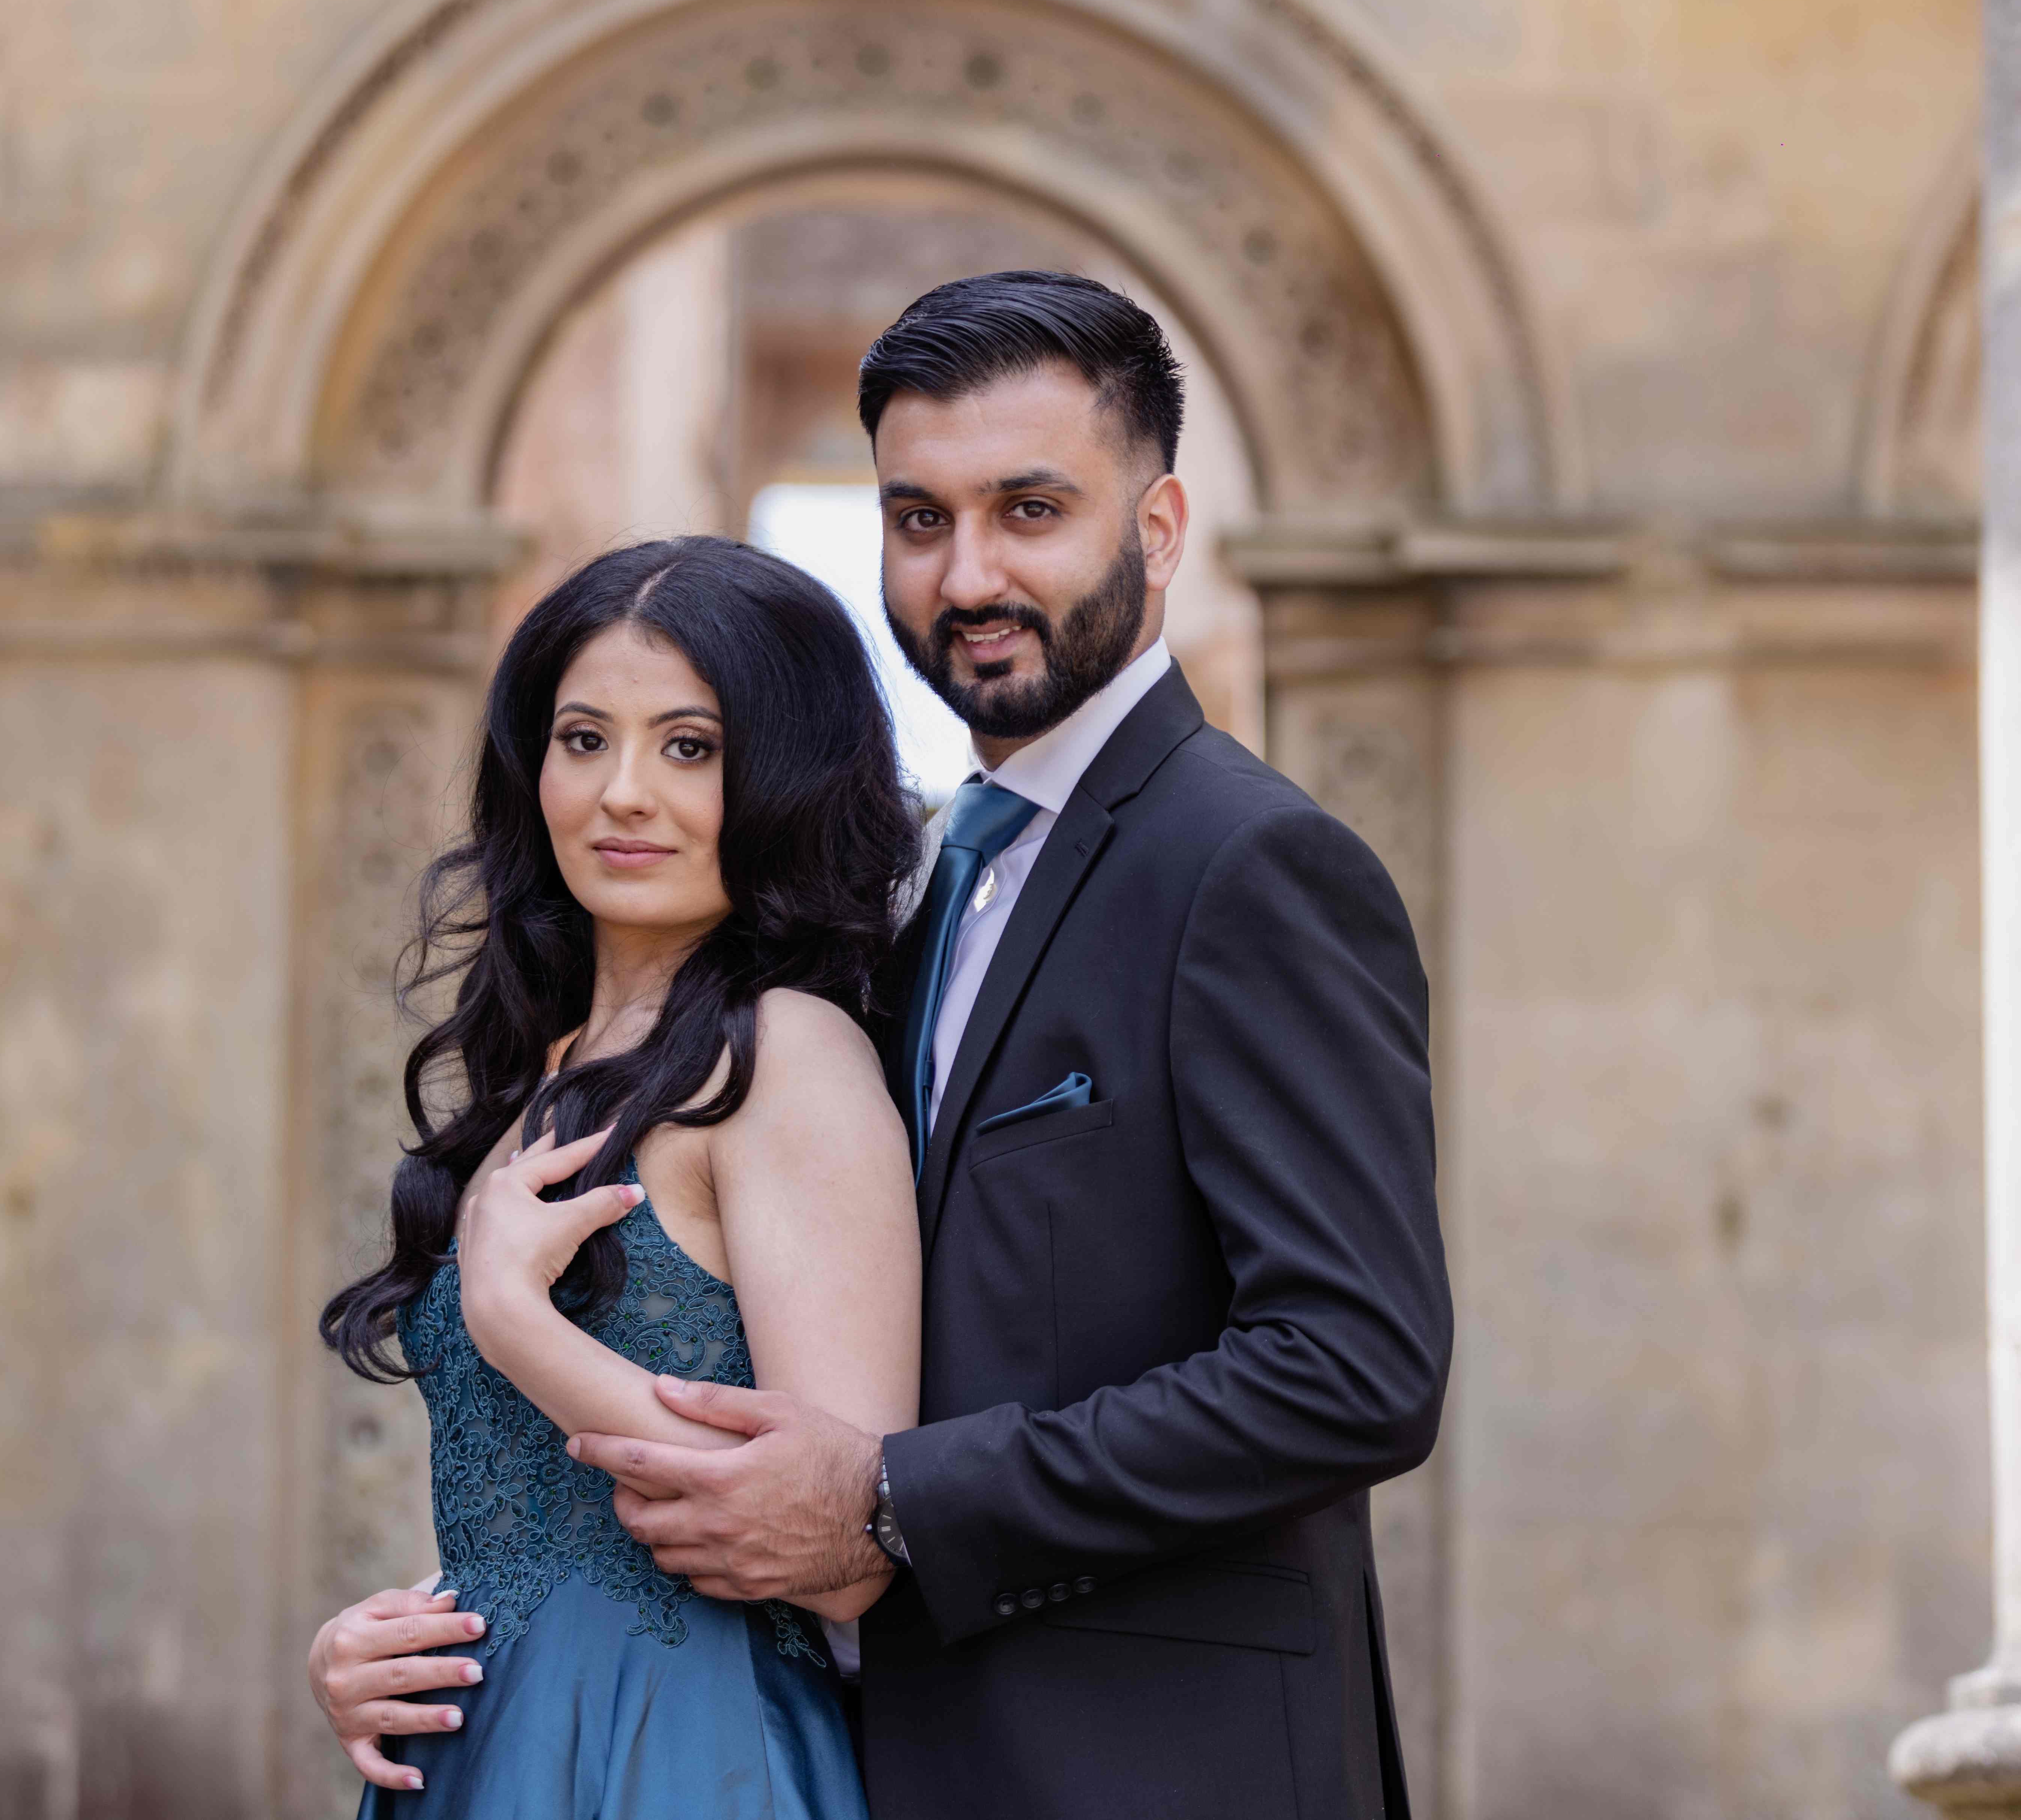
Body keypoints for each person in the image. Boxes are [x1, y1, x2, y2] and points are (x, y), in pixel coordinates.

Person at [314, 268, 1451, 1820]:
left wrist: (893, 1499)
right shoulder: (898, 909)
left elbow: (1353, 1367)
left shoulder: (1245, 864)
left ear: (1160, 528)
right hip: (871, 1751)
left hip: (1153, 1766)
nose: (967, 571)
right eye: (918, 520)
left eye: (1028, 509)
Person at [311, 536, 923, 1816]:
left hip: (687, 1750)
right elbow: (528, 1512)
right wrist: (372, 1648)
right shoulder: (543, 1062)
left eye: (687, 748)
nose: (622, 793)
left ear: (784, 778)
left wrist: (514, 1323)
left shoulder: (788, 1054)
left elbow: (849, 1551)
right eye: (585, 739)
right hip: (489, 1746)